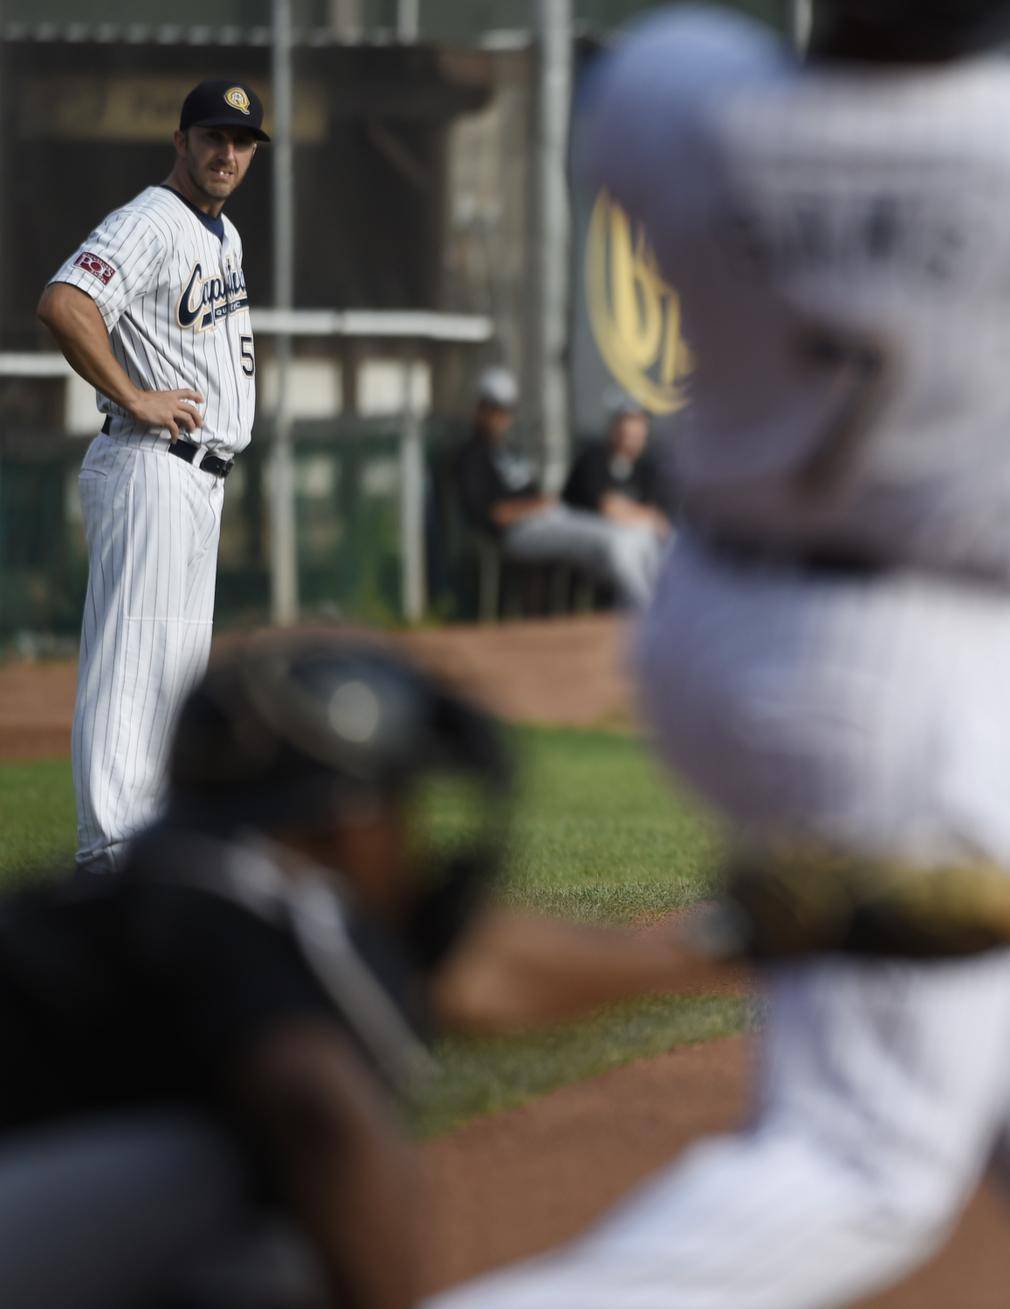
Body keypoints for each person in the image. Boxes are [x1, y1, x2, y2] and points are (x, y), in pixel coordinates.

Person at [429, 2, 1010, 1306]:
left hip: (716, 612)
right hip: (911, 667)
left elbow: (695, 73)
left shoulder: (678, 102)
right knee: (868, 1158)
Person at [0, 641, 730, 1309]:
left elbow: (467, 978)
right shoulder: (256, 905)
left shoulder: (182, 886)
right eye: (400, 807)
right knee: (254, 1185)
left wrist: (728, 942)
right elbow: (318, 1110)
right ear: (349, 820)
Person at [36, 80, 266, 875]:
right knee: (132, 666)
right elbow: (66, 302)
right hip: (149, 463)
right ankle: (108, 854)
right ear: (181, 140)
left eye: (241, 142)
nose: (226, 153)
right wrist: (133, 392)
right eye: (213, 136)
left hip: (199, 476)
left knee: (173, 674)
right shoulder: (149, 221)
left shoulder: (223, 235)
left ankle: (151, 850)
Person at [450, 368, 663, 608]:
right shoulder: (470, 456)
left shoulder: (509, 449)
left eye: (506, 410)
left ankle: (657, 605)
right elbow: (491, 514)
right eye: (495, 410)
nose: (502, 418)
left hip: (550, 518)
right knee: (614, 541)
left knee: (638, 537)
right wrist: (535, 506)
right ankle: (647, 606)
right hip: (518, 531)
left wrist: (543, 504)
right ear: (479, 410)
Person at [563, 397, 670, 539]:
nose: (631, 430)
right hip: (577, 530)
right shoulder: (594, 456)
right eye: (626, 422)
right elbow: (608, 509)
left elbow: (659, 518)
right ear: (613, 428)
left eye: (639, 424)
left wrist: (646, 517)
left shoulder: (648, 466)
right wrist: (644, 516)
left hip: (626, 535)